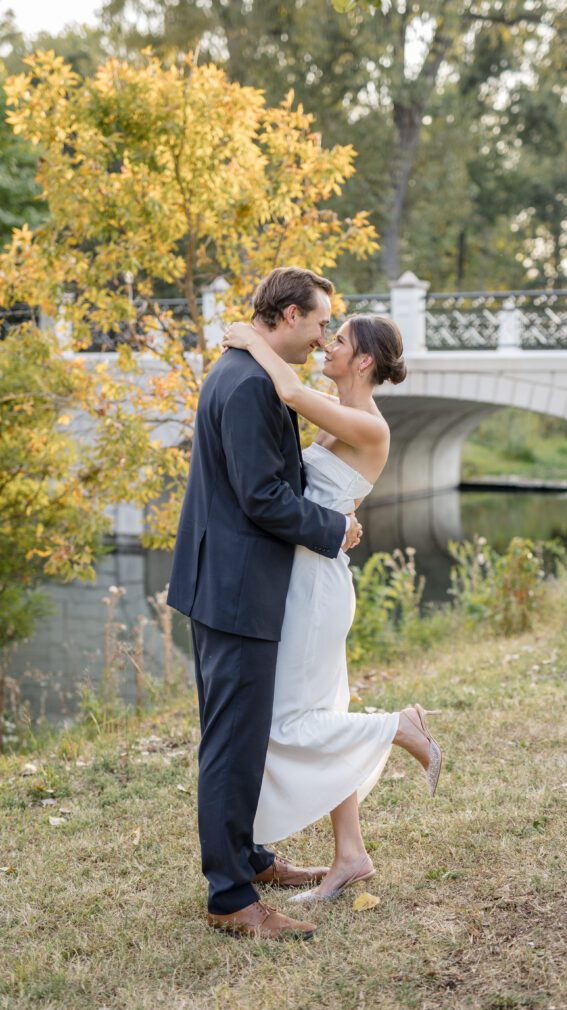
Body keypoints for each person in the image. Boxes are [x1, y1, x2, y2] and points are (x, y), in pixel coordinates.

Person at [167, 267, 364, 941]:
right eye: (316, 321)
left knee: (242, 735)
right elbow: (261, 498)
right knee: (231, 744)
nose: (320, 334)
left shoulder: (243, 369)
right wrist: (332, 529)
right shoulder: (250, 385)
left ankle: (248, 859)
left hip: (224, 581)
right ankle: (230, 896)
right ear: (284, 316)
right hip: (234, 589)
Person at [221, 311, 442, 904]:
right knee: (321, 712)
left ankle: (398, 726)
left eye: (337, 339)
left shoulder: (368, 425)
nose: (325, 343)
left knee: (294, 721)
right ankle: (351, 855)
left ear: (364, 360)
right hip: (306, 573)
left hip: (315, 585)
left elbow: (287, 391)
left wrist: (249, 339)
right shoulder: (335, 411)